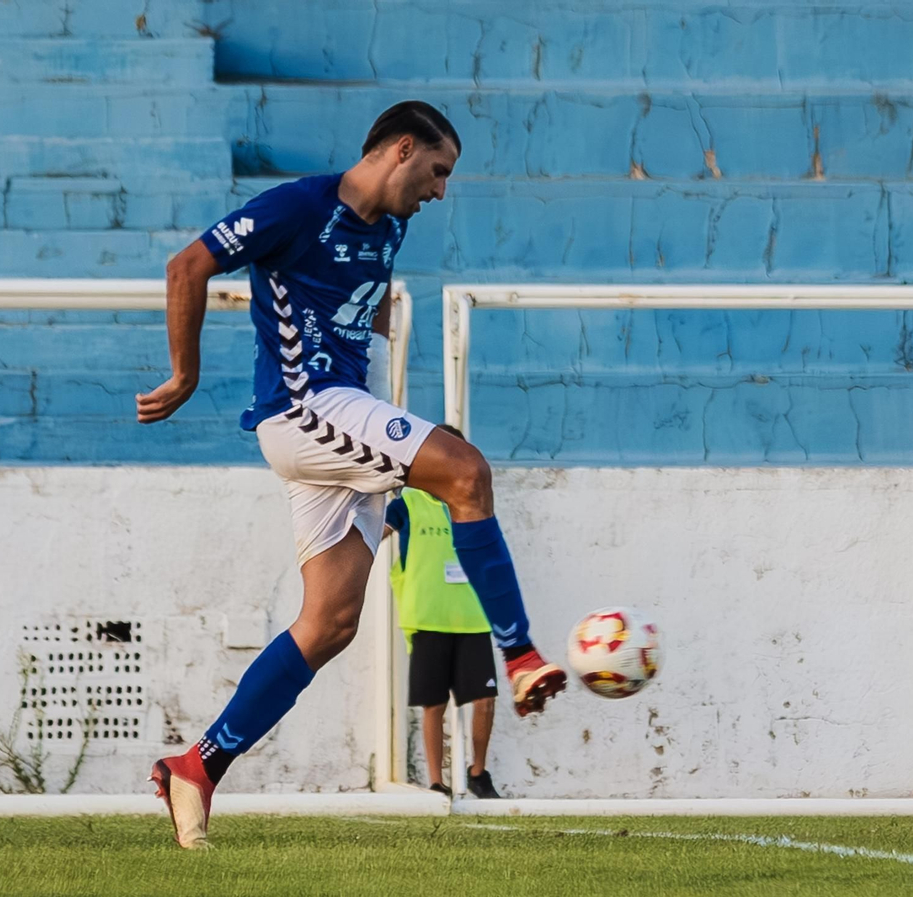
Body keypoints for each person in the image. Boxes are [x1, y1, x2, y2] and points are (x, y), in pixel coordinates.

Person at [135, 101, 562, 849]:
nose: (440, 191)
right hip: (304, 409)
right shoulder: (298, 206)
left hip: (342, 412)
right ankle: (521, 655)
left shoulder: (390, 226)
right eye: (437, 171)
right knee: (466, 471)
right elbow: (188, 263)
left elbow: (355, 308)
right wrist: (184, 375)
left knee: (330, 622)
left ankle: (196, 766)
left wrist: (376, 375)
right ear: (401, 150)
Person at [383, 427, 501, 801]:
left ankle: (478, 772)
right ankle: (436, 781)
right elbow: (375, 533)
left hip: (473, 617)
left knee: (484, 699)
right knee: (433, 703)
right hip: (427, 617)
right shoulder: (408, 503)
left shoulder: (473, 502)